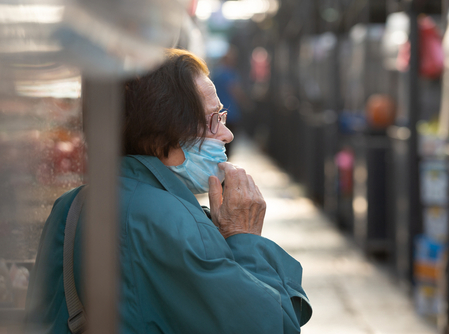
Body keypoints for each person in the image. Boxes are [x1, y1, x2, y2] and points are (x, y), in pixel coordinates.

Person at [25, 48, 312, 333]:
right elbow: (273, 325)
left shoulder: (70, 206)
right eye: (213, 120)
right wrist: (244, 237)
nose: (227, 134)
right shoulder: (172, 222)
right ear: (165, 130)